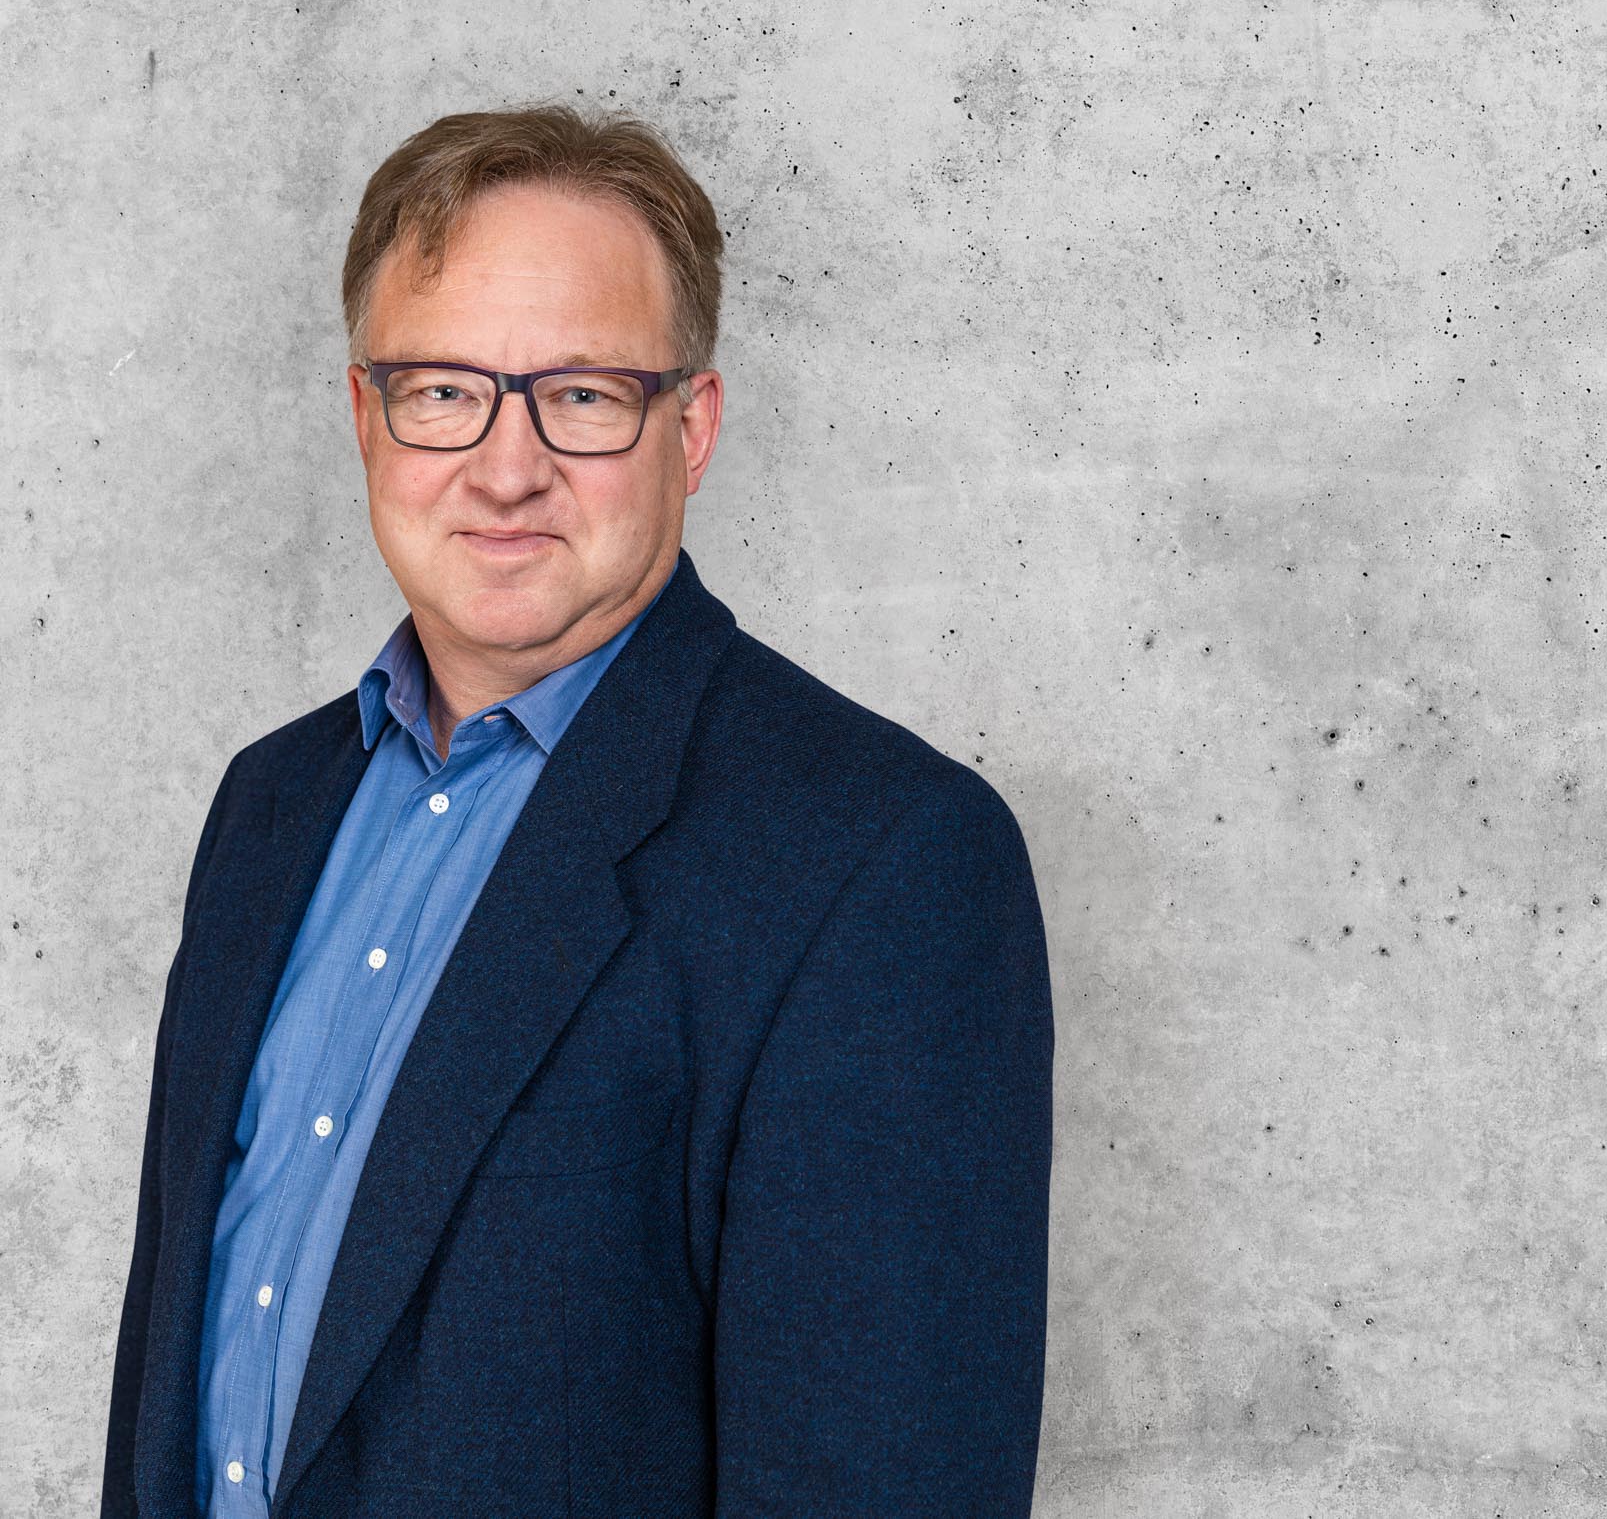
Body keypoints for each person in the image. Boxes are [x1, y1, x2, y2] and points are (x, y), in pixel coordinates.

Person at [98, 103, 1054, 1518]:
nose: (505, 468)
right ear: (365, 417)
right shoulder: (270, 809)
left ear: (693, 427)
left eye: (585, 396)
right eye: (443, 391)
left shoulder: (881, 863)